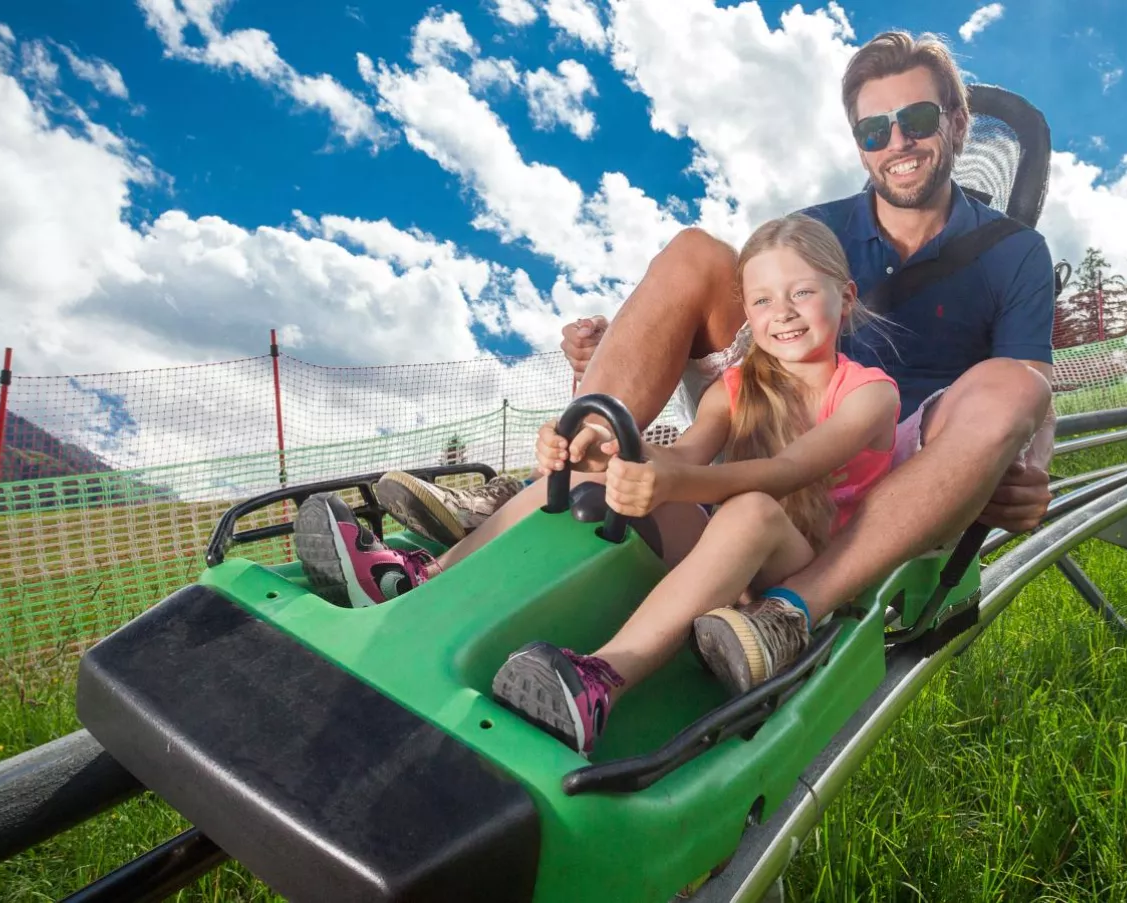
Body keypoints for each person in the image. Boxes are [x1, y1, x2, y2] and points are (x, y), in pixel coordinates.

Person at [368, 29, 1056, 692]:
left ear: (959, 123)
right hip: (783, 405)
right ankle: (564, 466)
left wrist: (1031, 465)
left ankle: (791, 610)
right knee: (698, 251)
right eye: (875, 131)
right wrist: (616, 346)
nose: (897, 143)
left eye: (918, 118)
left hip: (899, 450)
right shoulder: (821, 228)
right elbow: (763, 335)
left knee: (1010, 386)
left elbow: (1034, 394)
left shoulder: (1013, 250)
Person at [295, 214, 901, 755]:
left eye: (801, 293)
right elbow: (686, 454)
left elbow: (790, 471)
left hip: (794, 576)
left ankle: (600, 681)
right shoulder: (734, 388)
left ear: (844, 298)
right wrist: (591, 453)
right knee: (599, 469)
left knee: (751, 509)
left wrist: (676, 478)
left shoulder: (868, 394)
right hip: (727, 559)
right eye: (764, 300)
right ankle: (417, 577)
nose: (783, 312)